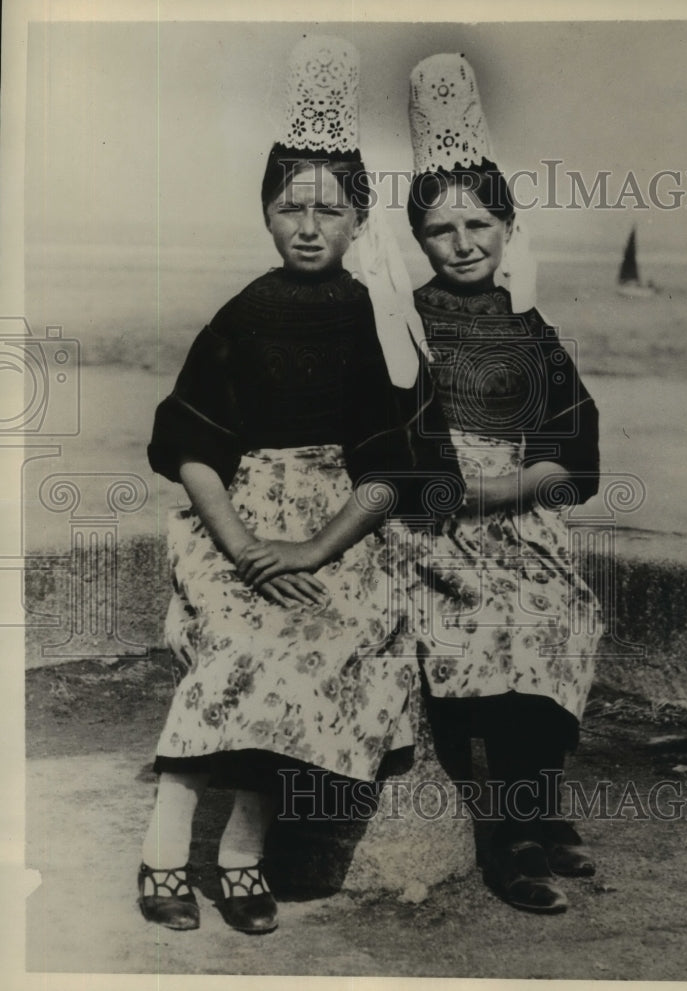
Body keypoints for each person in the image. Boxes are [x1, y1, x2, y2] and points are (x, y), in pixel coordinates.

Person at [138, 37, 460, 935]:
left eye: (330, 208)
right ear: (266, 216)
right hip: (234, 515)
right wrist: (242, 547)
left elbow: (398, 469)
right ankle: (165, 847)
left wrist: (314, 548)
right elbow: (192, 446)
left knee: (330, 628)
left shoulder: (380, 321)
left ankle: (243, 851)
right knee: (240, 631)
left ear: (360, 218)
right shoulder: (242, 315)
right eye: (289, 208)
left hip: (341, 524)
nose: (309, 227)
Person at [405, 54, 603, 915]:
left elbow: (574, 452)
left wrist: (507, 491)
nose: (464, 244)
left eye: (481, 224)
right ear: (420, 239)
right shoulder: (403, 322)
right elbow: (383, 442)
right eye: (444, 231)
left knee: (556, 611)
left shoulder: (531, 331)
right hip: (429, 521)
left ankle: (532, 804)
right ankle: (509, 838)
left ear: (507, 226)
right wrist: (450, 496)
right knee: (475, 621)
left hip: (516, 512)